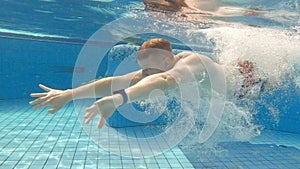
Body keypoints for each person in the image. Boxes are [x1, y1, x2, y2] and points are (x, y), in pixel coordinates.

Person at [30, 38, 265, 128]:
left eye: (149, 69)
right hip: (231, 87)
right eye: (144, 69)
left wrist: (118, 99)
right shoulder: (157, 68)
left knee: (272, 80)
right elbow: (114, 81)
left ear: (167, 59)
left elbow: (164, 80)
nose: (146, 75)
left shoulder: (190, 64)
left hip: (246, 84)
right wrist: (70, 93)